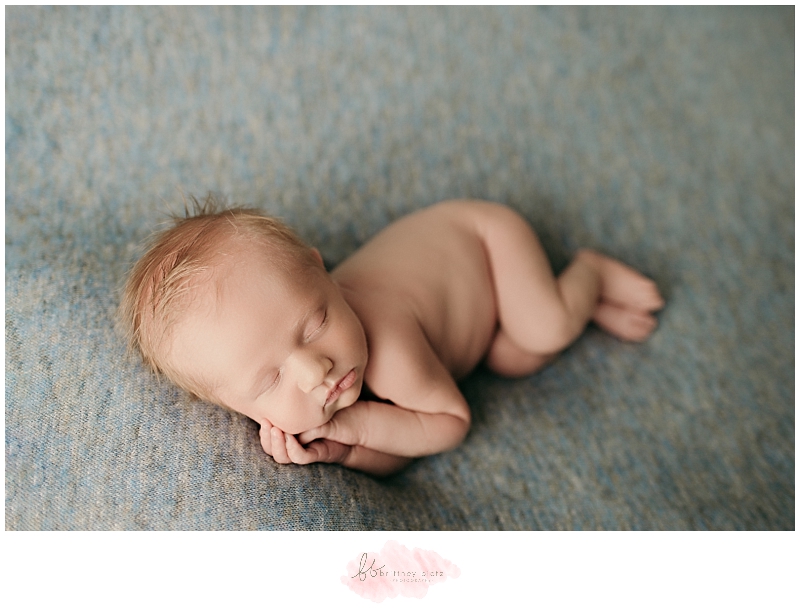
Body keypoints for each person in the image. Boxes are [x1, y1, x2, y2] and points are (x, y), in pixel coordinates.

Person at [120, 197, 664, 476]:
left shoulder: (389, 346)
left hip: (483, 241)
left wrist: (352, 424)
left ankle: (588, 277)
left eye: (317, 323)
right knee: (512, 356)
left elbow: (448, 424)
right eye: (270, 379)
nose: (317, 370)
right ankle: (580, 305)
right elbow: (400, 446)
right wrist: (341, 451)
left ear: (322, 270)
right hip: (475, 317)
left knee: (542, 326)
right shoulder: (326, 375)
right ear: (231, 404)